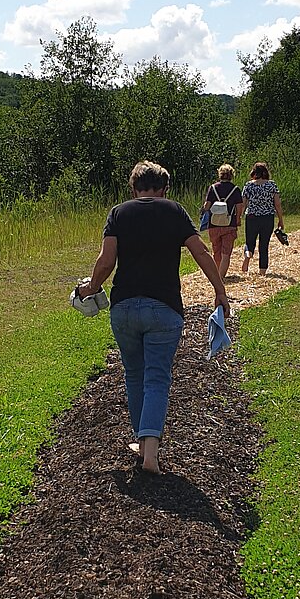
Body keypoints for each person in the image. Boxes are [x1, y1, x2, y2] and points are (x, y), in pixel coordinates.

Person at [76, 160, 229, 476]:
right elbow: (201, 252)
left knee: (134, 374)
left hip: (124, 308)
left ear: (133, 188)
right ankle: (151, 454)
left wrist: (90, 288)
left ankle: (141, 442)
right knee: (157, 377)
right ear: (165, 189)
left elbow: (106, 262)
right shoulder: (174, 212)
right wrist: (220, 291)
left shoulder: (119, 213)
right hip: (164, 307)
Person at [240, 161, 286, 276]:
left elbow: (243, 204)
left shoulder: (249, 185)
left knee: (249, 241)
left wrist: (239, 217)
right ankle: (262, 272)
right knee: (264, 245)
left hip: (251, 217)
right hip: (267, 217)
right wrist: (280, 220)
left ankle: (248, 254)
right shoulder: (271, 185)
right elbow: (277, 204)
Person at [201, 163, 243, 278]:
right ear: (231, 175)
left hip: (214, 224)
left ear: (220, 174)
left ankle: (216, 275)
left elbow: (207, 206)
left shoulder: (213, 188)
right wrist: (238, 219)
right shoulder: (235, 189)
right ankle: (221, 276)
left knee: (216, 251)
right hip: (229, 223)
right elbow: (239, 207)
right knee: (226, 253)